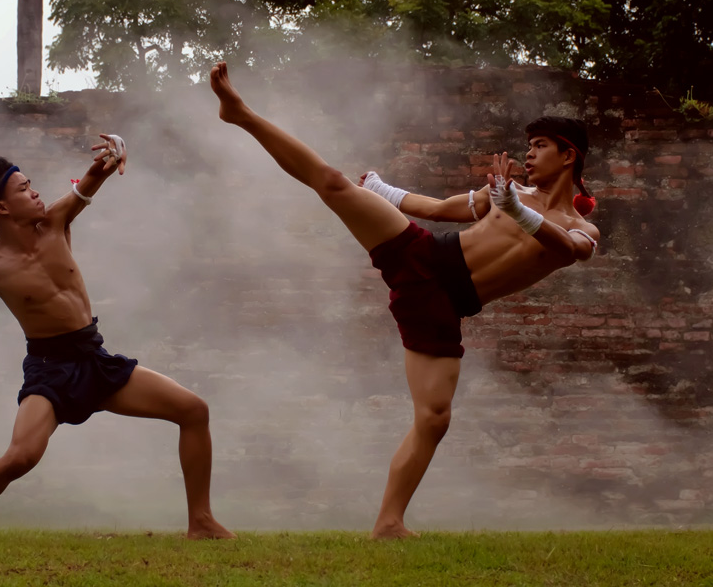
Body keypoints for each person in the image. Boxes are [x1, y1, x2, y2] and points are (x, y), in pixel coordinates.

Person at [209, 61, 600, 539]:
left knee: (434, 419)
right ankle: (242, 114)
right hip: (425, 257)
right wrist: (380, 189)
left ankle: (389, 523)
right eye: (529, 145)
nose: (529, 154)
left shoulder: (580, 227)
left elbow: (570, 251)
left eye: (540, 146)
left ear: (568, 157)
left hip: (444, 306)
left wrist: (515, 209)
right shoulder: (505, 192)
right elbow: (436, 209)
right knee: (333, 182)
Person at [0, 135, 234, 540]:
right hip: (49, 371)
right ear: (1, 207)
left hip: (95, 358)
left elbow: (92, 177)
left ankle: (201, 522)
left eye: (31, 183)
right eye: (23, 188)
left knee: (193, 410)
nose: (35, 191)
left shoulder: (56, 222)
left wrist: (116, 152)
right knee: (21, 457)